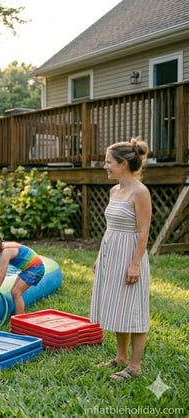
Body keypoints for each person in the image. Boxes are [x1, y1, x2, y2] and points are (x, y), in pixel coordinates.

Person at [91, 137, 151, 381]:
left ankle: (134, 367)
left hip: (130, 255)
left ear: (123, 164)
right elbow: (110, 228)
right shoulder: (114, 190)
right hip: (111, 253)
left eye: (108, 162)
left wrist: (135, 264)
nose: (105, 166)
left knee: (133, 309)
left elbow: (144, 231)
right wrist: (99, 257)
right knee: (117, 306)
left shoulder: (140, 192)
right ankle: (120, 357)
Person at [0, 226, 45, 316]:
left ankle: (20, 318)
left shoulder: (5, 253)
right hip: (30, 268)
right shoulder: (1, 248)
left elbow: (2, 275)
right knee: (14, 292)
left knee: (16, 293)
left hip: (35, 268)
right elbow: (0, 268)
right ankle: (19, 315)